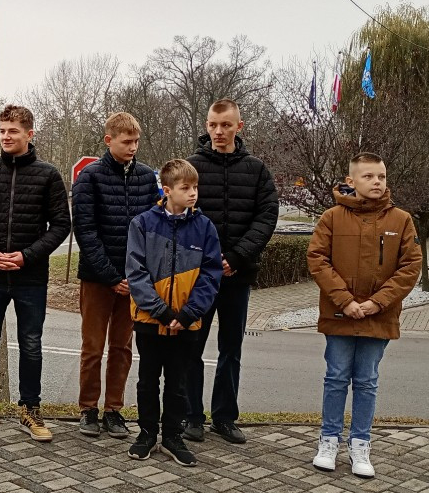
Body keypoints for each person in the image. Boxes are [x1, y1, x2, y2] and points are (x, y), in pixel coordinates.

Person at [306, 152, 421, 478]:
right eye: (369, 176)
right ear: (352, 180)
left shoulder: (401, 220)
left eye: (381, 177)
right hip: (340, 315)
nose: (377, 182)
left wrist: (377, 303)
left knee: (367, 381)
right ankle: (328, 440)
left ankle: (360, 444)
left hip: (377, 317)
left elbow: (410, 267)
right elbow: (317, 259)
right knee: (337, 377)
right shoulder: (332, 217)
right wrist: (345, 301)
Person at [0, 104, 71, 441]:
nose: (6, 137)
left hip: (30, 277)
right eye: (3, 131)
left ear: (29, 134)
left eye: (13, 131)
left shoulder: (48, 174)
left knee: (32, 344)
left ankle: (30, 411)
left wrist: (26, 256)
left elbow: (61, 225)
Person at [183, 99, 278, 445]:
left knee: (231, 349)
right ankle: (192, 416)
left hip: (238, 274)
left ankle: (224, 416)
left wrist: (236, 256)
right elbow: (177, 215)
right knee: (192, 346)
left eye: (225, 125)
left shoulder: (256, 170)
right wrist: (208, 259)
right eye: (213, 125)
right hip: (199, 276)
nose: (218, 131)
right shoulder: (190, 167)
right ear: (206, 126)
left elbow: (266, 217)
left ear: (239, 126)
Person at [125, 160, 223, 465]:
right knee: (147, 379)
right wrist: (162, 312)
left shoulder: (204, 227)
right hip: (150, 320)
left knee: (179, 381)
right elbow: (136, 272)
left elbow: (210, 273)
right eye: (186, 188)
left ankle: (172, 436)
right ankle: (146, 434)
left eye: (195, 187)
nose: (193, 193)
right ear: (167, 190)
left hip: (187, 322)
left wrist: (190, 312)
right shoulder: (142, 224)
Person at [73, 112, 159, 438]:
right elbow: (86, 232)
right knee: (93, 346)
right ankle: (88, 409)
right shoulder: (89, 178)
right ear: (109, 141)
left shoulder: (147, 178)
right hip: (97, 278)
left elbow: (154, 229)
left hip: (134, 280)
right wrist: (111, 276)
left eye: (136, 141)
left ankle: (114, 410)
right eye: (127, 141)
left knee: (122, 347)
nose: (133, 147)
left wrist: (136, 275)